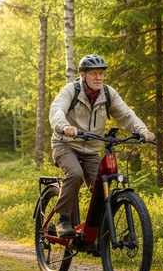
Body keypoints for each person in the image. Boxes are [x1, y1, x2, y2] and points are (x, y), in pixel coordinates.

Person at [48, 54, 155, 237]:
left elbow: (126, 114)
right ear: (83, 75)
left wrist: (143, 130)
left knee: (104, 183)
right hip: (65, 144)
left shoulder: (107, 93)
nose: (98, 77)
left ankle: (97, 232)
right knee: (75, 174)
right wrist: (65, 126)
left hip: (90, 150)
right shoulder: (71, 91)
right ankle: (63, 220)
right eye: (93, 74)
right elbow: (57, 110)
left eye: (101, 73)